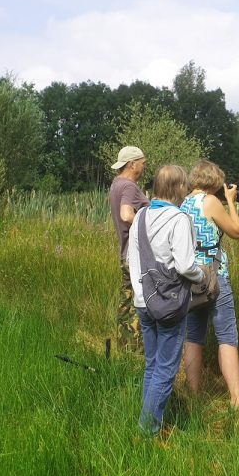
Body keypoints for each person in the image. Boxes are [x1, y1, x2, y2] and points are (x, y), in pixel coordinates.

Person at [127, 164, 205, 436]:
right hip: (168, 303)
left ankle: (148, 420)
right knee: (166, 368)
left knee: (152, 364)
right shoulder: (179, 219)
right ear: (178, 188)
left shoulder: (141, 215)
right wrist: (202, 276)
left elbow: (131, 257)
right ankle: (148, 430)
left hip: (142, 300)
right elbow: (185, 266)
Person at [180, 160, 239, 411]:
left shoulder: (185, 202)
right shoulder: (210, 202)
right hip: (214, 275)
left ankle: (193, 394)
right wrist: (231, 201)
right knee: (227, 335)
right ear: (214, 180)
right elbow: (236, 231)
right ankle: (236, 399)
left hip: (191, 275)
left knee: (194, 335)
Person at [109, 146, 149, 351]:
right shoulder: (129, 186)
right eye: (142, 164)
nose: (144, 168)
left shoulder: (116, 184)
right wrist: (149, 228)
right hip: (135, 257)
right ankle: (136, 351)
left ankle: (123, 347)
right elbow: (126, 215)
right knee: (139, 304)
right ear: (132, 164)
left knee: (126, 303)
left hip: (125, 254)